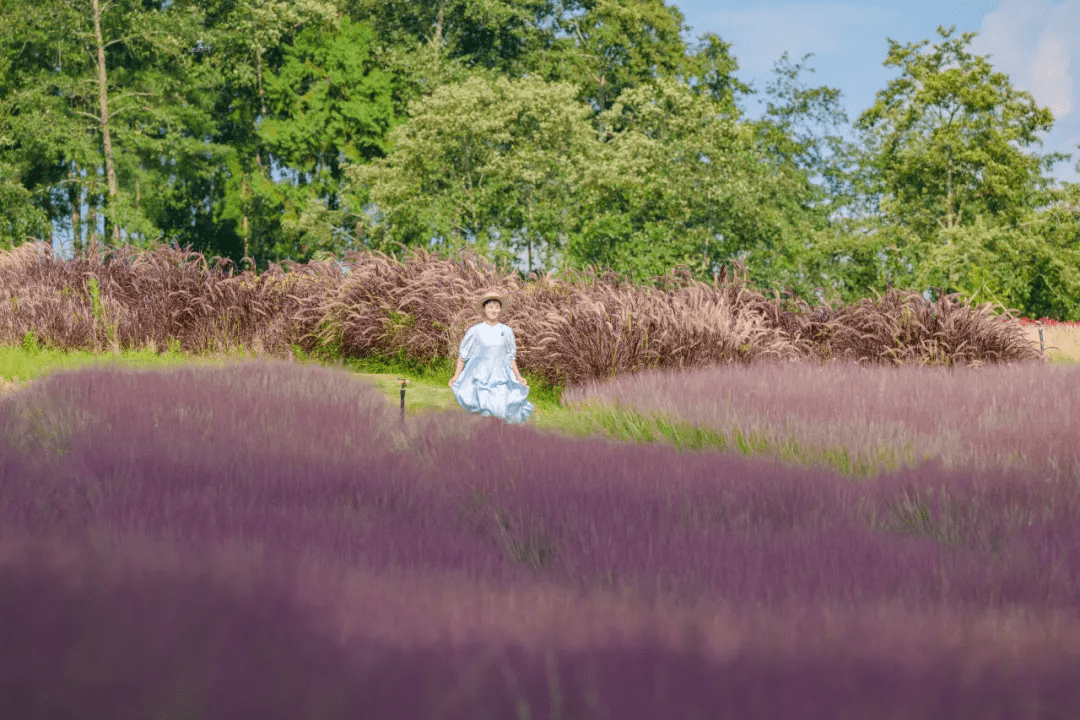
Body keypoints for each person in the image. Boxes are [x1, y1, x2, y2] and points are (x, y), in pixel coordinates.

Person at [448, 289, 534, 424]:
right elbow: (462, 356)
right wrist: (456, 375)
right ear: (484, 309)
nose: (494, 310)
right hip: (480, 379)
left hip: (501, 379)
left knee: (500, 412)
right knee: (486, 414)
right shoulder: (475, 331)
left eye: (497, 307)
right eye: (490, 306)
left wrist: (518, 376)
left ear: (500, 310)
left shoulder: (507, 331)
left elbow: (510, 357)